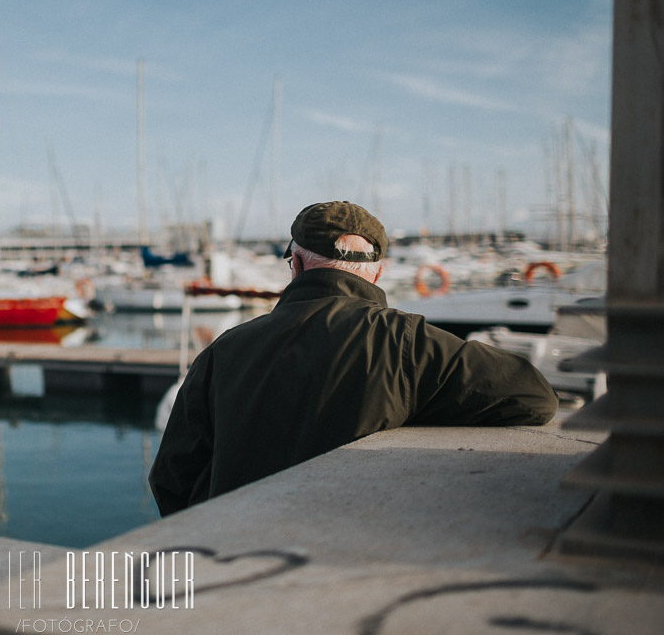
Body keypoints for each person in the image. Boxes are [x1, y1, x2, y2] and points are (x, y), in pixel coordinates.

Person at [149, 201, 559, 517]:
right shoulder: (406, 342)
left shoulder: (226, 349)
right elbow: (534, 398)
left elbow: (171, 476)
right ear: (377, 274)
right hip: (346, 553)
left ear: (297, 263)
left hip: (230, 554)